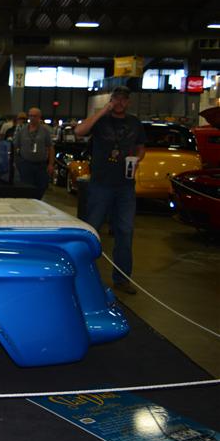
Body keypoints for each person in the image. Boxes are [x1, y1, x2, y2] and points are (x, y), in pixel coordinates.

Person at [74, 86, 146, 295]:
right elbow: (79, 131)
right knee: (91, 229)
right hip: (101, 184)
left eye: (124, 99)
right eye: (116, 99)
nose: (120, 103)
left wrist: (137, 159)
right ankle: (81, 274)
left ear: (128, 102)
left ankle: (122, 279)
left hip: (125, 186)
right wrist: (102, 111)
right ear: (111, 100)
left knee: (125, 231)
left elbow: (141, 147)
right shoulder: (101, 121)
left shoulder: (135, 123)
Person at [13, 107, 54, 199]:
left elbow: (50, 147)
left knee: (40, 189)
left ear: (39, 117)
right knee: (26, 190)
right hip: (26, 164)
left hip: (41, 166)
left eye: (34, 116)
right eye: (30, 116)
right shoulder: (22, 130)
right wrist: (16, 161)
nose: (32, 118)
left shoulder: (45, 131)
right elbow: (15, 146)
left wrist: (51, 164)